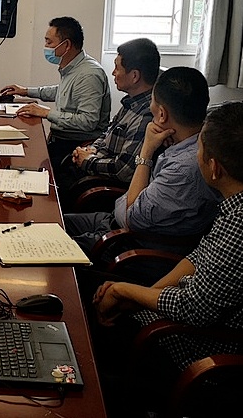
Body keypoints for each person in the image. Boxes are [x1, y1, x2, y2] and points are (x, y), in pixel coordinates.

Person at [91, 102, 243, 416]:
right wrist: (142, 296)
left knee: (88, 331)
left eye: (199, 149)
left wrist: (125, 292)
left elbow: (194, 309)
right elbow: (197, 257)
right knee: (87, 284)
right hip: (177, 312)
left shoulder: (239, 226)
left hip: (192, 348)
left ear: (214, 168)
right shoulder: (233, 206)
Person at [64, 67, 219, 265]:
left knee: (48, 248)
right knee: (51, 223)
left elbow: (131, 218)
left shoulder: (182, 169)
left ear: (161, 114)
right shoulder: (191, 143)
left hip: (129, 245)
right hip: (113, 222)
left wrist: (146, 151)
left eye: (151, 104)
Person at [56, 38, 160, 208]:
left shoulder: (146, 115)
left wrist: (87, 161)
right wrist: (91, 149)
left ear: (134, 76)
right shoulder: (131, 103)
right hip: (94, 166)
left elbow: (123, 169)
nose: (113, 73)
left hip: (102, 184)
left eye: (117, 68)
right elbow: (107, 133)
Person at [0, 16, 110, 171]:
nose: (45, 47)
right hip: (61, 140)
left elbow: (87, 121)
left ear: (66, 45)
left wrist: (46, 113)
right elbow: (63, 92)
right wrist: (26, 91)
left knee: (23, 162)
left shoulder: (89, 74)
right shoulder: (75, 67)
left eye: (49, 42)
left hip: (75, 147)